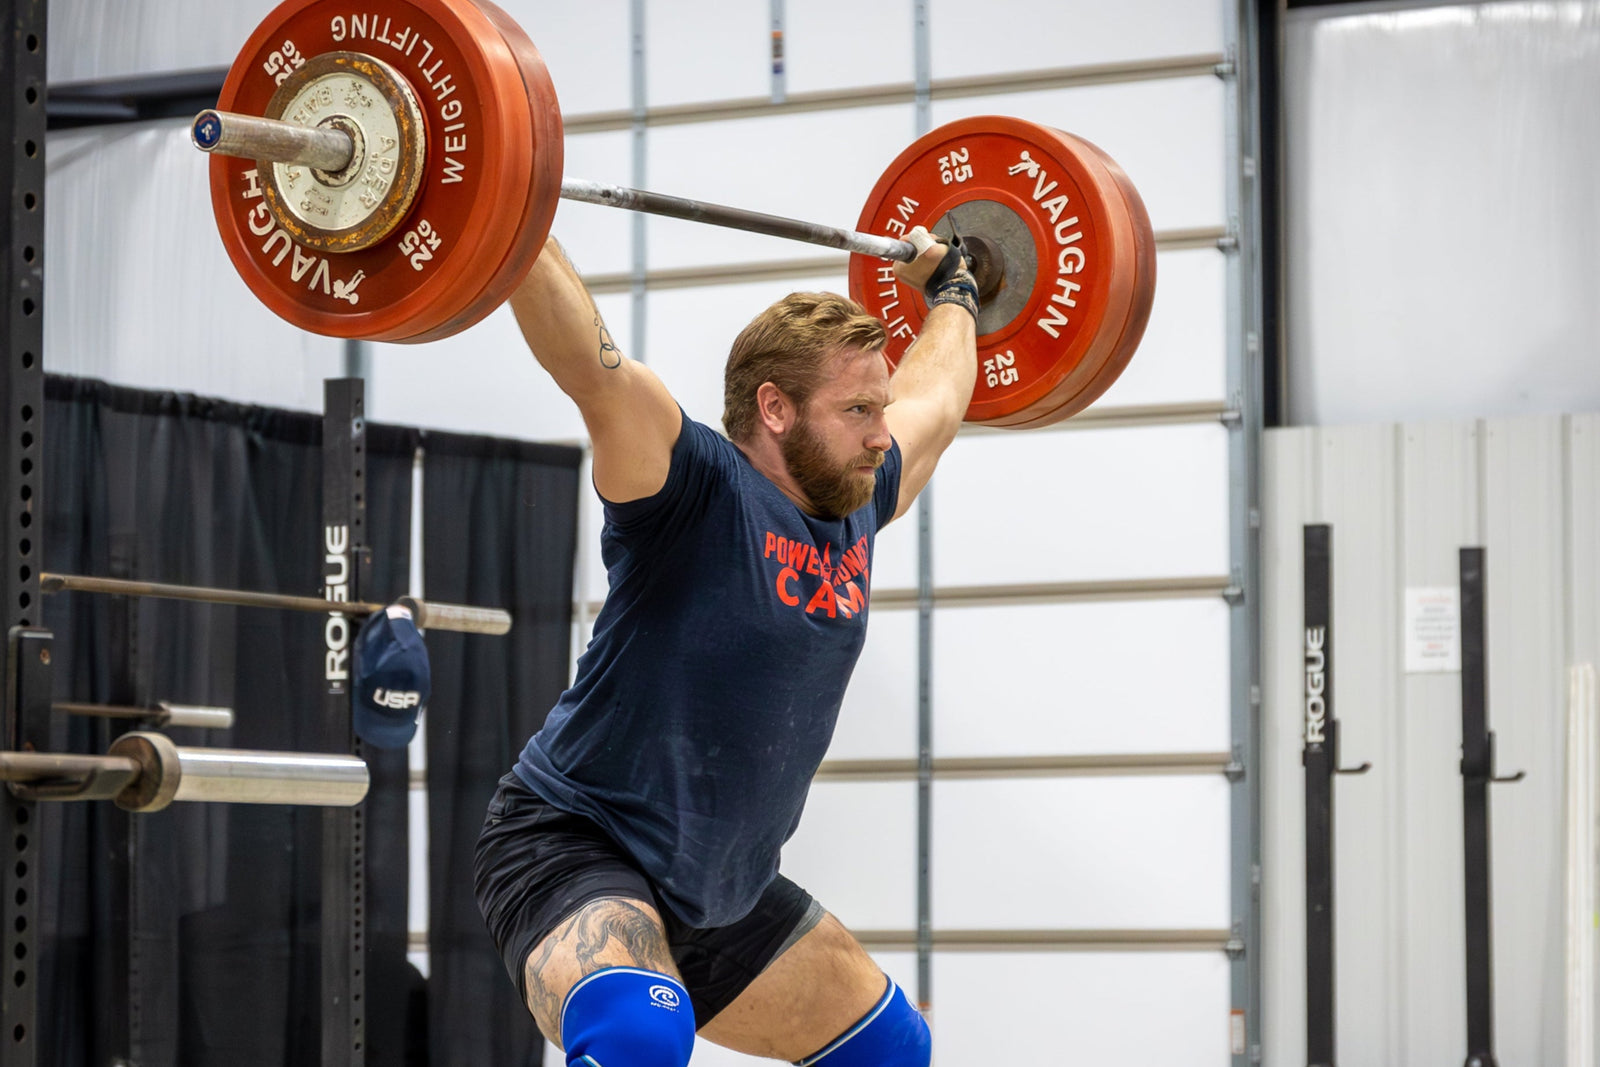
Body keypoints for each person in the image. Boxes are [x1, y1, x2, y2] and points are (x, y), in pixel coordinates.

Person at [473, 223, 979, 1067]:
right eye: (857, 410)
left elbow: (940, 400)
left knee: (887, 1051)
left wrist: (956, 291)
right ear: (775, 407)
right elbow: (592, 369)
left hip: (722, 889)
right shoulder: (692, 488)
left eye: (877, 408)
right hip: (575, 840)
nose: (881, 433)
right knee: (639, 1035)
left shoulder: (857, 501)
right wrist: (509, 215)